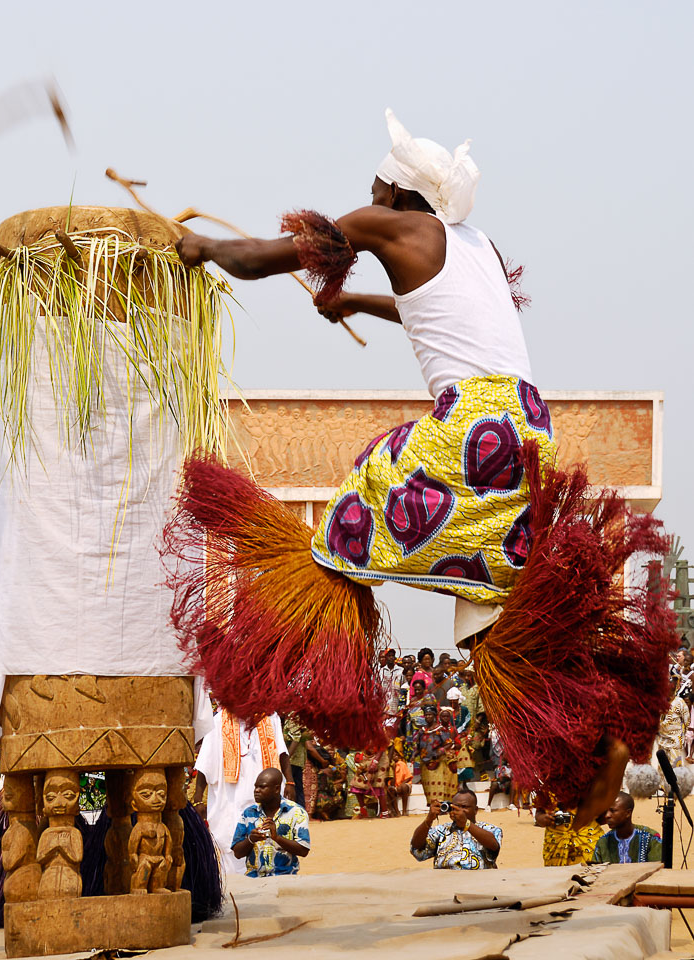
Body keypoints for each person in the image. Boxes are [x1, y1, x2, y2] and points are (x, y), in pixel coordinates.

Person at [167, 107, 670, 823]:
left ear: (399, 194)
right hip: (526, 432)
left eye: (375, 190)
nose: (367, 202)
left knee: (350, 517)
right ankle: (595, 745)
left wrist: (202, 248)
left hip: (469, 429)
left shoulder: (386, 223)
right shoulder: (477, 245)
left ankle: (317, 652)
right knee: (491, 619)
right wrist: (357, 305)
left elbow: (257, 259)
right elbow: (436, 313)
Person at [192, 707, 292, 874]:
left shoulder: (270, 718)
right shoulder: (218, 721)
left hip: (265, 798)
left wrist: (290, 782)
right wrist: (197, 797)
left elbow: (282, 752)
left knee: (269, 841)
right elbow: (205, 763)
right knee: (231, 843)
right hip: (230, 799)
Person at [230, 768, 310, 877]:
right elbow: (237, 853)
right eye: (256, 787)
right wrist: (251, 839)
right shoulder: (249, 813)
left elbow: (303, 850)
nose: (256, 790)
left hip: (285, 877)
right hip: (254, 879)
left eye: (262, 787)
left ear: (277, 789)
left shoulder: (296, 812)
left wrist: (277, 838)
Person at [410, 787, 501, 869]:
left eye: (464, 807)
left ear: (475, 810)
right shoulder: (441, 831)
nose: (459, 810)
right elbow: (416, 846)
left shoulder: (489, 829)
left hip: (479, 882)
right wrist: (429, 819)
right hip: (446, 882)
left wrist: (466, 823)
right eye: (456, 807)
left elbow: (494, 846)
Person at [592, 793, 663, 864]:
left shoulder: (650, 839)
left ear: (628, 813)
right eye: (606, 811)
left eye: (613, 811)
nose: (607, 815)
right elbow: (595, 872)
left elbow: (657, 870)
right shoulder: (603, 842)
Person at [536, 795, 601, 866]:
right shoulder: (547, 789)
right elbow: (539, 812)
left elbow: (604, 812)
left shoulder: (593, 786)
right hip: (555, 844)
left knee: (590, 873)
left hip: (587, 840)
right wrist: (543, 818)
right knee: (557, 875)